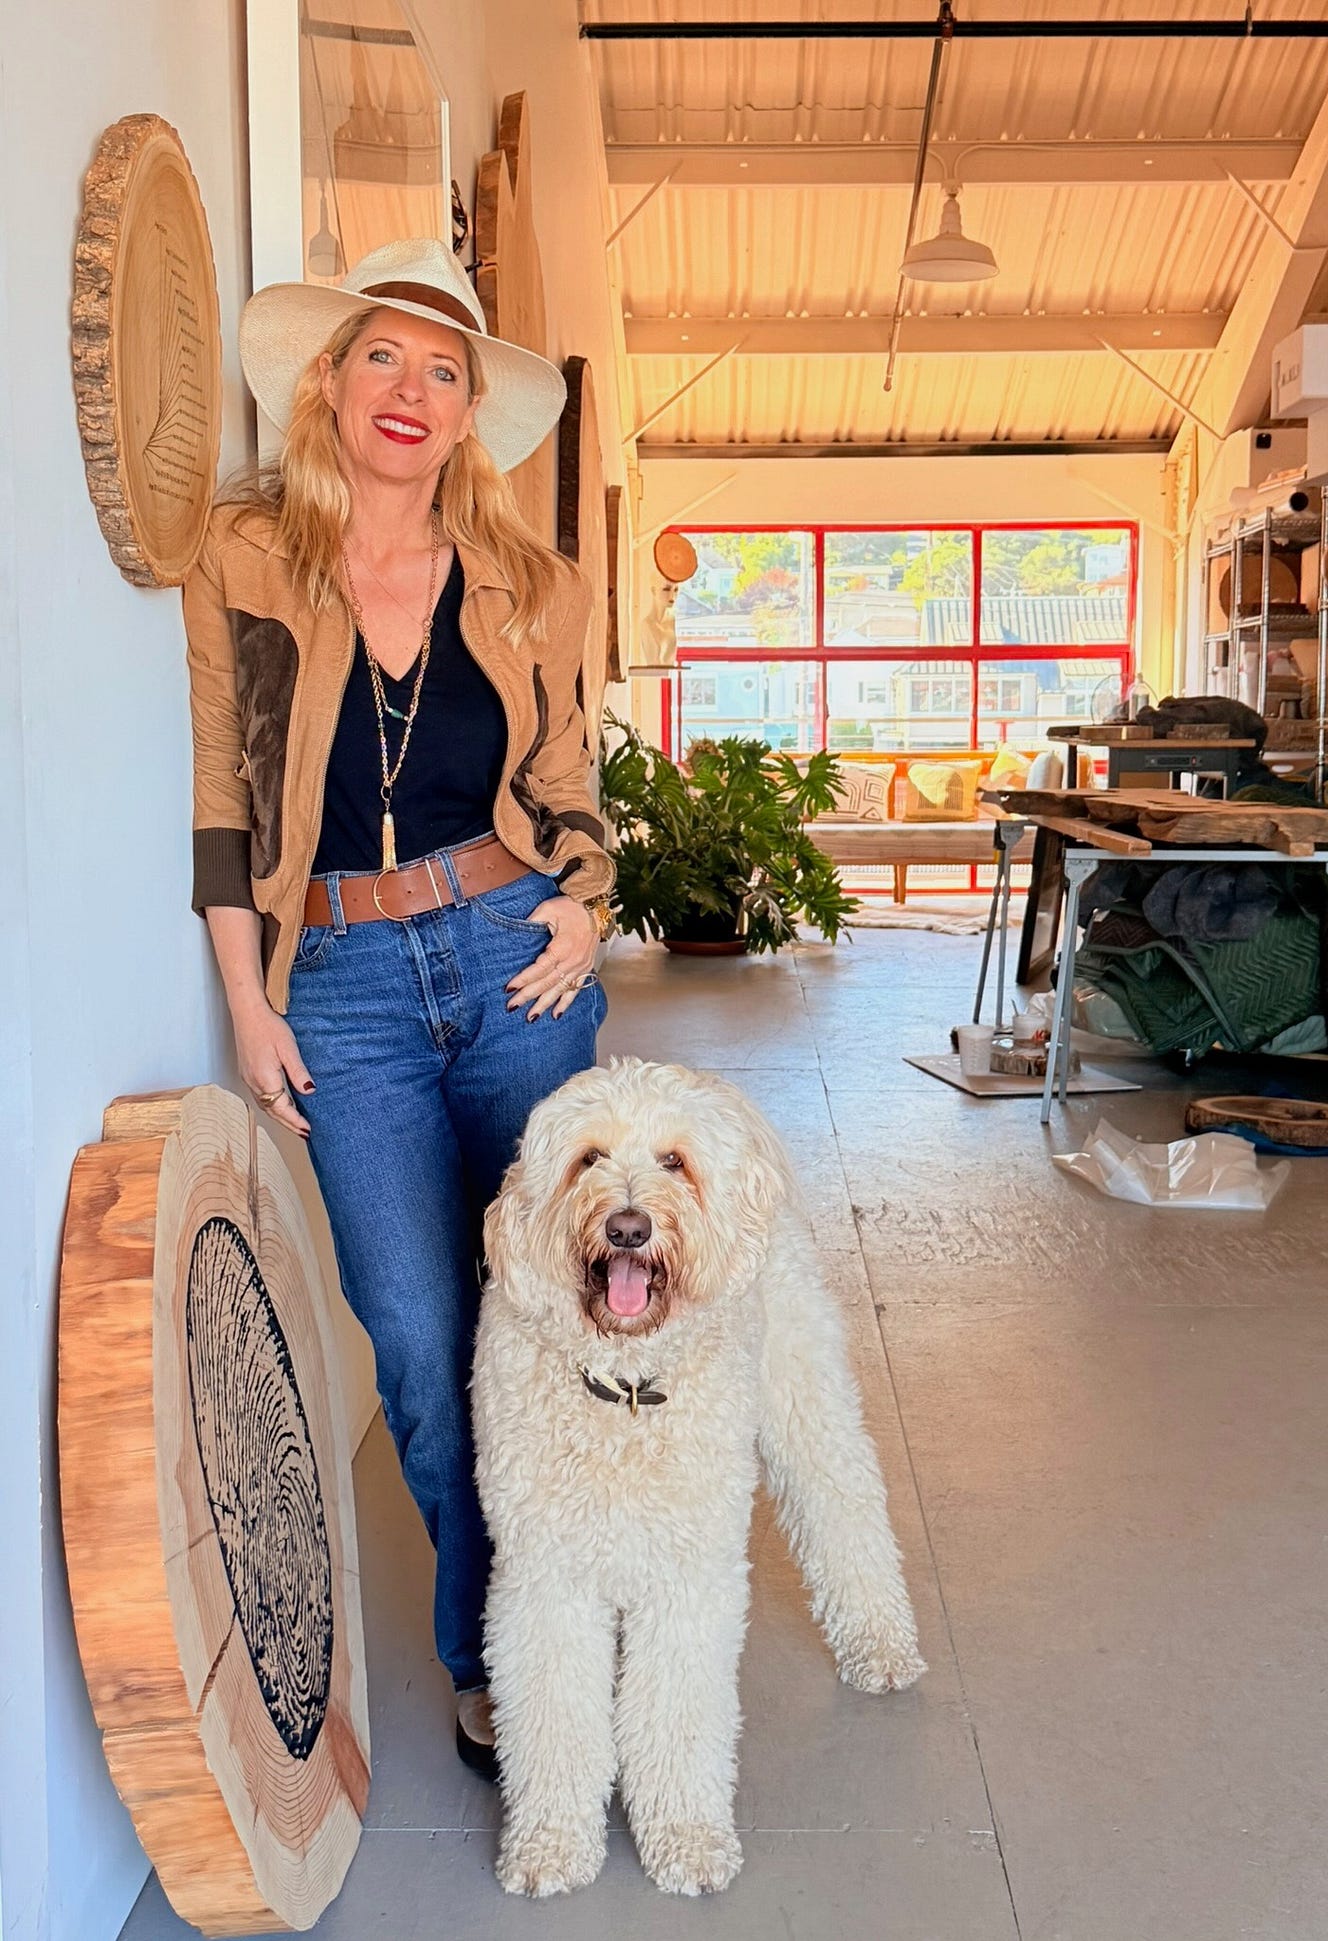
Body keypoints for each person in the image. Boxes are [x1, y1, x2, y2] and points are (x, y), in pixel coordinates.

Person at [183, 238, 615, 1779]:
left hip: (513, 956)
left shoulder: (535, 586)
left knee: (560, 1310)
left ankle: (569, 1631)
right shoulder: (246, 558)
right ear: (330, 377)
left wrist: (586, 899)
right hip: (346, 986)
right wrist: (251, 999)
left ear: (469, 411)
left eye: (444, 370)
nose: (411, 390)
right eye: (384, 355)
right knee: (425, 1340)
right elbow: (226, 797)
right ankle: (494, 1644)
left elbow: (569, 780)